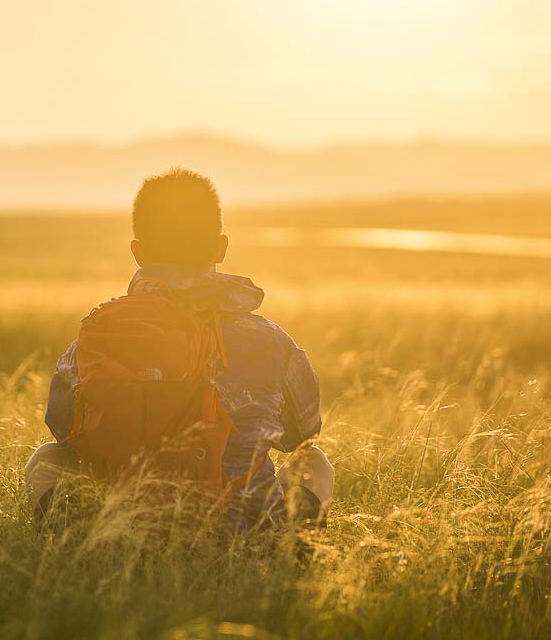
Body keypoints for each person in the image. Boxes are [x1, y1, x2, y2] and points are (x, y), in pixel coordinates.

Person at [25, 168, 333, 529]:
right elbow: (303, 434)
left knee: (47, 459)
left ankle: (74, 547)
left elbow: (63, 431)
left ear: (138, 254)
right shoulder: (270, 341)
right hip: (246, 536)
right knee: (314, 463)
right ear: (221, 247)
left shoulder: (98, 339)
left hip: (127, 532)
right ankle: (293, 549)